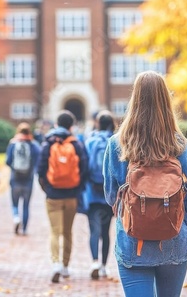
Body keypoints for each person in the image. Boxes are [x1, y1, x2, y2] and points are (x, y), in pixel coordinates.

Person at [103, 71, 187, 297]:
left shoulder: (118, 144)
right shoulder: (181, 146)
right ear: (165, 100)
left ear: (134, 100)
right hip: (174, 239)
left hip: (132, 242)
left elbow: (111, 195)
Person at [37, 110, 88, 283]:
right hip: (72, 195)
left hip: (53, 195)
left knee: (54, 231)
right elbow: (84, 168)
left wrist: (47, 189)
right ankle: (66, 266)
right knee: (67, 231)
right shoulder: (76, 144)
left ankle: (55, 264)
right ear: (71, 126)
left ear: (56, 125)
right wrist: (77, 189)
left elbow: (41, 169)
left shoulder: (48, 143)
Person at [83, 110, 115, 280]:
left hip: (92, 193)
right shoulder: (116, 142)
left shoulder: (90, 141)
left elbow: (84, 166)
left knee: (93, 231)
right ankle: (104, 266)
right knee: (106, 232)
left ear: (98, 124)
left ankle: (94, 261)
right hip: (109, 195)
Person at [6, 122, 41, 235]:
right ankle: (25, 229)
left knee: (15, 203)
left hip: (15, 179)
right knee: (26, 205)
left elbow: (8, 161)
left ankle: (16, 217)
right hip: (28, 180)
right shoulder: (33, 144)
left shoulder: (13, 143)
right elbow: (38, 161)